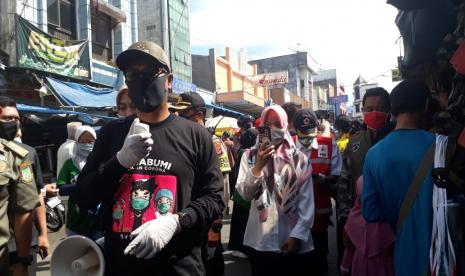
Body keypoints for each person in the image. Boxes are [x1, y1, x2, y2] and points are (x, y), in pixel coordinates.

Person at [75, 41, 224, 276]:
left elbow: (215, 198)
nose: (140, 79)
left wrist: (178, 220)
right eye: (132, 74)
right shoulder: (112, 134)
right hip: (121, 267)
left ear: (169, 80)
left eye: (149, 72)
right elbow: (83, 196)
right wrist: (119, 162)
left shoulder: (196, 135)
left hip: (180, 267)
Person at [362, 80, 435, 276]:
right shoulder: (443, 147)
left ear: (392, 109)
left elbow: (370, 212)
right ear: (426, 105)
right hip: (442, 254)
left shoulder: (373, 154)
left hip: (403, 254)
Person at [235, 105, 314, 276]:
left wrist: (297, 235)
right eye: (267, 124)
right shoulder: (249, 157)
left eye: (277, 124)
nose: (272, 129)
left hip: (291, 240)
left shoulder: (299, 159)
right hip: (260, 241)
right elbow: (245, 195)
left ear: (285, 126)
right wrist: (258, 167)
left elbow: (306, 203)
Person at [169, 91, 229, 276]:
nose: (178, 119)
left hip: (208, 218)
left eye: (184, 115)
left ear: (199, 116)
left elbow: (223, 187)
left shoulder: (213, 142)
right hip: (187, 218)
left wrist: (216, 224)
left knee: (210, 265)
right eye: (176, 114)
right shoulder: (182, 140)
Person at [336, 87, 393, 262]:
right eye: (369, 109)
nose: (374, 113)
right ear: (362, 111)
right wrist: (345, 219)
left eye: (380, 109)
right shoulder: (354, 142)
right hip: (357, 219)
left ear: (389, 111)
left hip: (389, 222)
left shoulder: (396, 139)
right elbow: (344, 184)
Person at [0, 97, 50, 276]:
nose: (13, 123)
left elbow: (34, 197)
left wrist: (43, 234)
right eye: (7, 118)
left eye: (16, 119)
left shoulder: (25, 155)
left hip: (17, 243)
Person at [293, 108, 342, 275]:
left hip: (318, 217)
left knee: (318, 261)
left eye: (310, 132)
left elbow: (337, 175)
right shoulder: (287, 145)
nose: (307, 138)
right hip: (292, 218)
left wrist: (322, 179)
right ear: (295, 129)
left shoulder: (328, 146)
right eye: (303, 133)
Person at [340, 176, 395, 276]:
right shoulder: (391, 217)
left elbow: (349, 248)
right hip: (385, 266)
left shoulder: (353, 218)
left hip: (360, 265)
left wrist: (345, 267)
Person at [57, 125, 102, 239]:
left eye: (90, 141)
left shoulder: (102, 164)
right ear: (76, 143)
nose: (87, 144)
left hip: (98, 222)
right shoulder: (69, 164)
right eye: (82, 141)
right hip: (76, 222)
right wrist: (82, 186)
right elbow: (62, 189)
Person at [228, 127, 258, 258]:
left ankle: (236, 246)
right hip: (244, 189)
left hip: (240, 189)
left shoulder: (242, 151)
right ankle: (239, 248)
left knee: (238, 221)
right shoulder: (247, 153)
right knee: (242, 222)